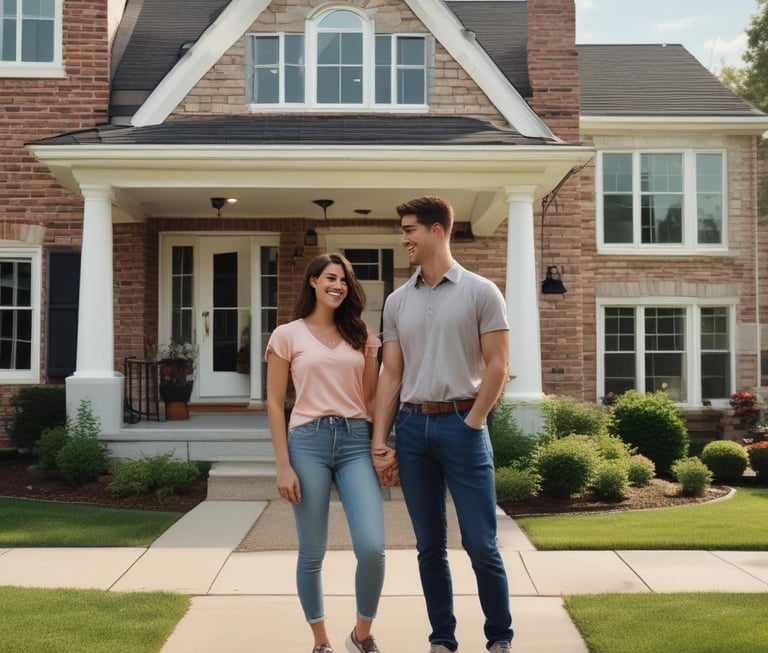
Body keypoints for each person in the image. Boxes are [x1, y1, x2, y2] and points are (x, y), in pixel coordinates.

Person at [371, 196, 514, 653]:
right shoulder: (396, 301)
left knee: (481, 543)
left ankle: (499, 638)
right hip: (412, 430)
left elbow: (498, 366)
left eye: (410, 229)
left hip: (462, 424)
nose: (404, 238)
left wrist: (473, 422)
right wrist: (381, 439)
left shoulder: (481, 291)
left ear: (437, 230)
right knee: (429, 546)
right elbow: (390, 373)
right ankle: (442, 638)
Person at [265, 253, 386, 653]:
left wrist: (379, 445)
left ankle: (361, 634)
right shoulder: (287, 335)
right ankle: (321, 642)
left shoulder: (361, 335)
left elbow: (369, 397)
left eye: (344, 281)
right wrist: (283, 466)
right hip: (307, 443)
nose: (338, 286)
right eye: (331, 278)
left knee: (371, 547)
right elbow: (273, 402)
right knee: (312, 550)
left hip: (354, 440)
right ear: (313, 282)